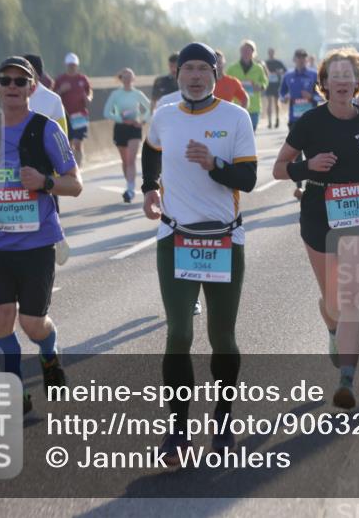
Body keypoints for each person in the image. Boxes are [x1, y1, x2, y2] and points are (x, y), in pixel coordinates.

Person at [141, 42, 257, 462]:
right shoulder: (164, 116)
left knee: (221, 337)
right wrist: (149, 188)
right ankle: (177, 432)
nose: (194, 76)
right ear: (178, 75)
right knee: (179, 334)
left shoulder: (234, 117)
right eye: (187, 69)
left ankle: (223, 421)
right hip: (175, 238)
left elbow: (249, 178)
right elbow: (150, 149)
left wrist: (215, 165)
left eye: (202, 69)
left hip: (224, 238)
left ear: (214, 74)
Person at [0, 56, 83, 414]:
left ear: (31, 88)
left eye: (20, 81)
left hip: (37, 241)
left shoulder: (46, 129)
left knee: (31, 323)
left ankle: (49, 353)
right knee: (0, 319)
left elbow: (75, 184)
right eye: (5, 81)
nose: (12, 86)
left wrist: (45, 182)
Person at [272, 48, 359, 410]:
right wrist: (308, 167)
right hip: (318, 212)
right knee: (333, 301)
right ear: (324, 83)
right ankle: (332, 329)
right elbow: (279, 168)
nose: (342, 81)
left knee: (351, 298)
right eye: (335, 76)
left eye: (349, 75)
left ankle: (347, 380)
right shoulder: (310, 122)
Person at [25, 54, 71, 266]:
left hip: (45, 172)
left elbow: (63, 137)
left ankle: (55, 241)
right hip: (18, 172)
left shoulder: (52, 99)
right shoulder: (12, 94)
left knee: (48, 217)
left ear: (38, 74)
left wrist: (61, 170)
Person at [103, 68, 152, 203]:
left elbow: (150, 108)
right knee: (125, 161)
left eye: (130, 77)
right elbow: (106, 112)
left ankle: (130, 190)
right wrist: (121, 119)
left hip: (134, 129)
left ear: (133, 79)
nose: (127, 79)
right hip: (121, 128)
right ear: (121, 79)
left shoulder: (137, 93)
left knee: (131, 160)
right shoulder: (115, 94)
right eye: (125, 77)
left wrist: (142, 121)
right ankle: (129, 185)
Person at [279, 49, 322, 200]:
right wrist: (284, 98)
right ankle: (299, 187)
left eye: (304, 59)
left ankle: (316, 183)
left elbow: (322, 94)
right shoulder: (288, 76)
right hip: (294, 120)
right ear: (294, 60)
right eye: (299, 59)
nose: (301, 61)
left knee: (314, 152)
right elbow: (281, 93)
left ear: (307, 60)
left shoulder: (313, 74)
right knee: (296, 154)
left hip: (312, 120)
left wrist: (312, 97)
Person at [55, 52, 93, 166]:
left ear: (77, 66)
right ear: (66, 65)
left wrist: (88, 98)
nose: (72, 68)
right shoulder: (60, 79)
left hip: (80, 115)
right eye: (70, 65)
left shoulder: (82, 79)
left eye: (74, 65)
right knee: (68, 143)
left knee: (78, 142)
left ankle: (78, 167)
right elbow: (54, 96)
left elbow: (89, 92)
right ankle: (71, 166)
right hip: (65, 116)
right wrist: (61, 90)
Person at [225, 40, 269, 131]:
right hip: (237, 106)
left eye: (249, 50)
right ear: (240, 51)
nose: (246, 53)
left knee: (252, 133)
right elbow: (226, 82)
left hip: (254, 107)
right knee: (238, 135)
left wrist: (260, 86)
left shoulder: (258, 68)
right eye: (244, 50)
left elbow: (265, 81)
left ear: (253, 52)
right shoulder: (232, 68)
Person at [263, 47, 286, 129]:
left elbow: (285, 70)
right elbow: (262, 72)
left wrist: (279, 72)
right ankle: (269, 121)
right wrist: (267, 74)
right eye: (270, 52)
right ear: (268, 53)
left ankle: (277, 119)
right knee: (269, 103)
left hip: (276, 84)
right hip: (268, 84)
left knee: (276, 102)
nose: (271, 54)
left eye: (272, 52)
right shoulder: (265, 62)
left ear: (274, 53)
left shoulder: (278, 62)